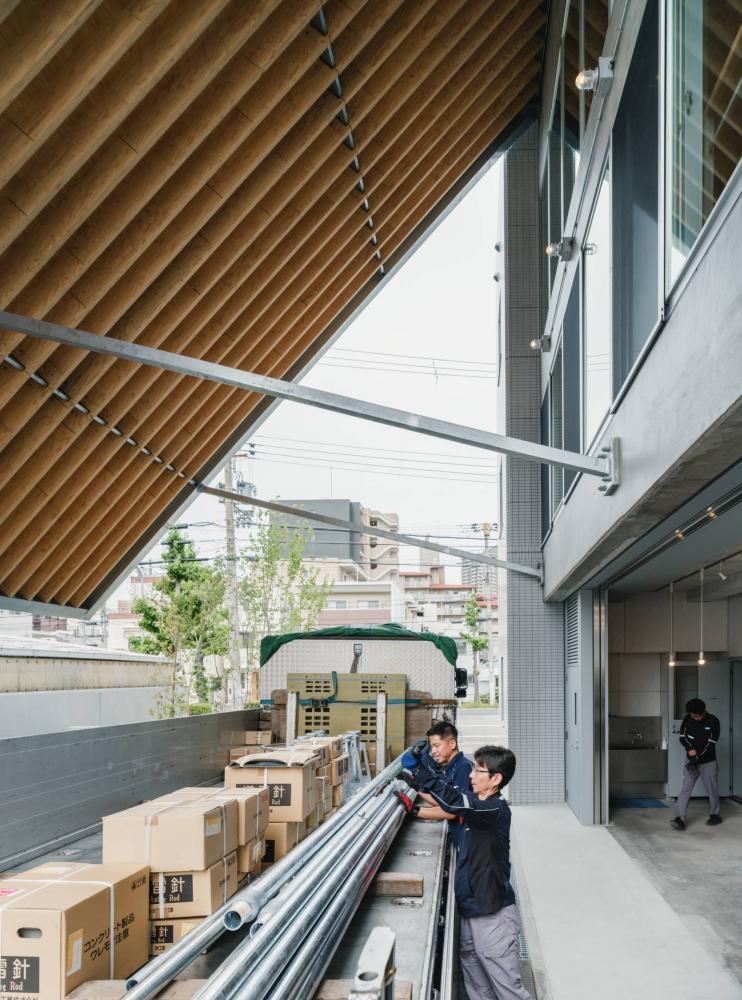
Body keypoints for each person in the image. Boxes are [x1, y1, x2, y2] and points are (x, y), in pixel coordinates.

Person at [400, 743, 532, 1000]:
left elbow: (452, 799)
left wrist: (418, 770)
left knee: (508, 989)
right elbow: (450, 799)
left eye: (478, 771)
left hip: (493, 915)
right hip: (471, 909)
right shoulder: (475, 803)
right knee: (477, 983)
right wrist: (416, 789)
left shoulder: (493, 809)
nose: (471, 775)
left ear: (495, 779)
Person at [415, 722, 472, 843]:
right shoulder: (450, 767)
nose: (433, 751)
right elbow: (444, 801)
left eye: (436, 746)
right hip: (460, 837)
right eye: (431, 747)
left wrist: (414, 811)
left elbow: (453, 811)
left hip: (469, 840)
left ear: (452, 744)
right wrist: (416, 788)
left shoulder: (464, 767)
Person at [671, 697, 722, 831]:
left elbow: (711, 744)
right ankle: (679, 818)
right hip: (690, 761)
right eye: (692, 716)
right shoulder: (688, 719)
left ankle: (715, 815)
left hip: (708, 761)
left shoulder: (713, 721)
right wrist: (690, 750)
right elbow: (682, 737)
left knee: (712, 788)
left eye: (697, 716)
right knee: (686, 788)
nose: (694, 718)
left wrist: (697, 757)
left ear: (703, 712)